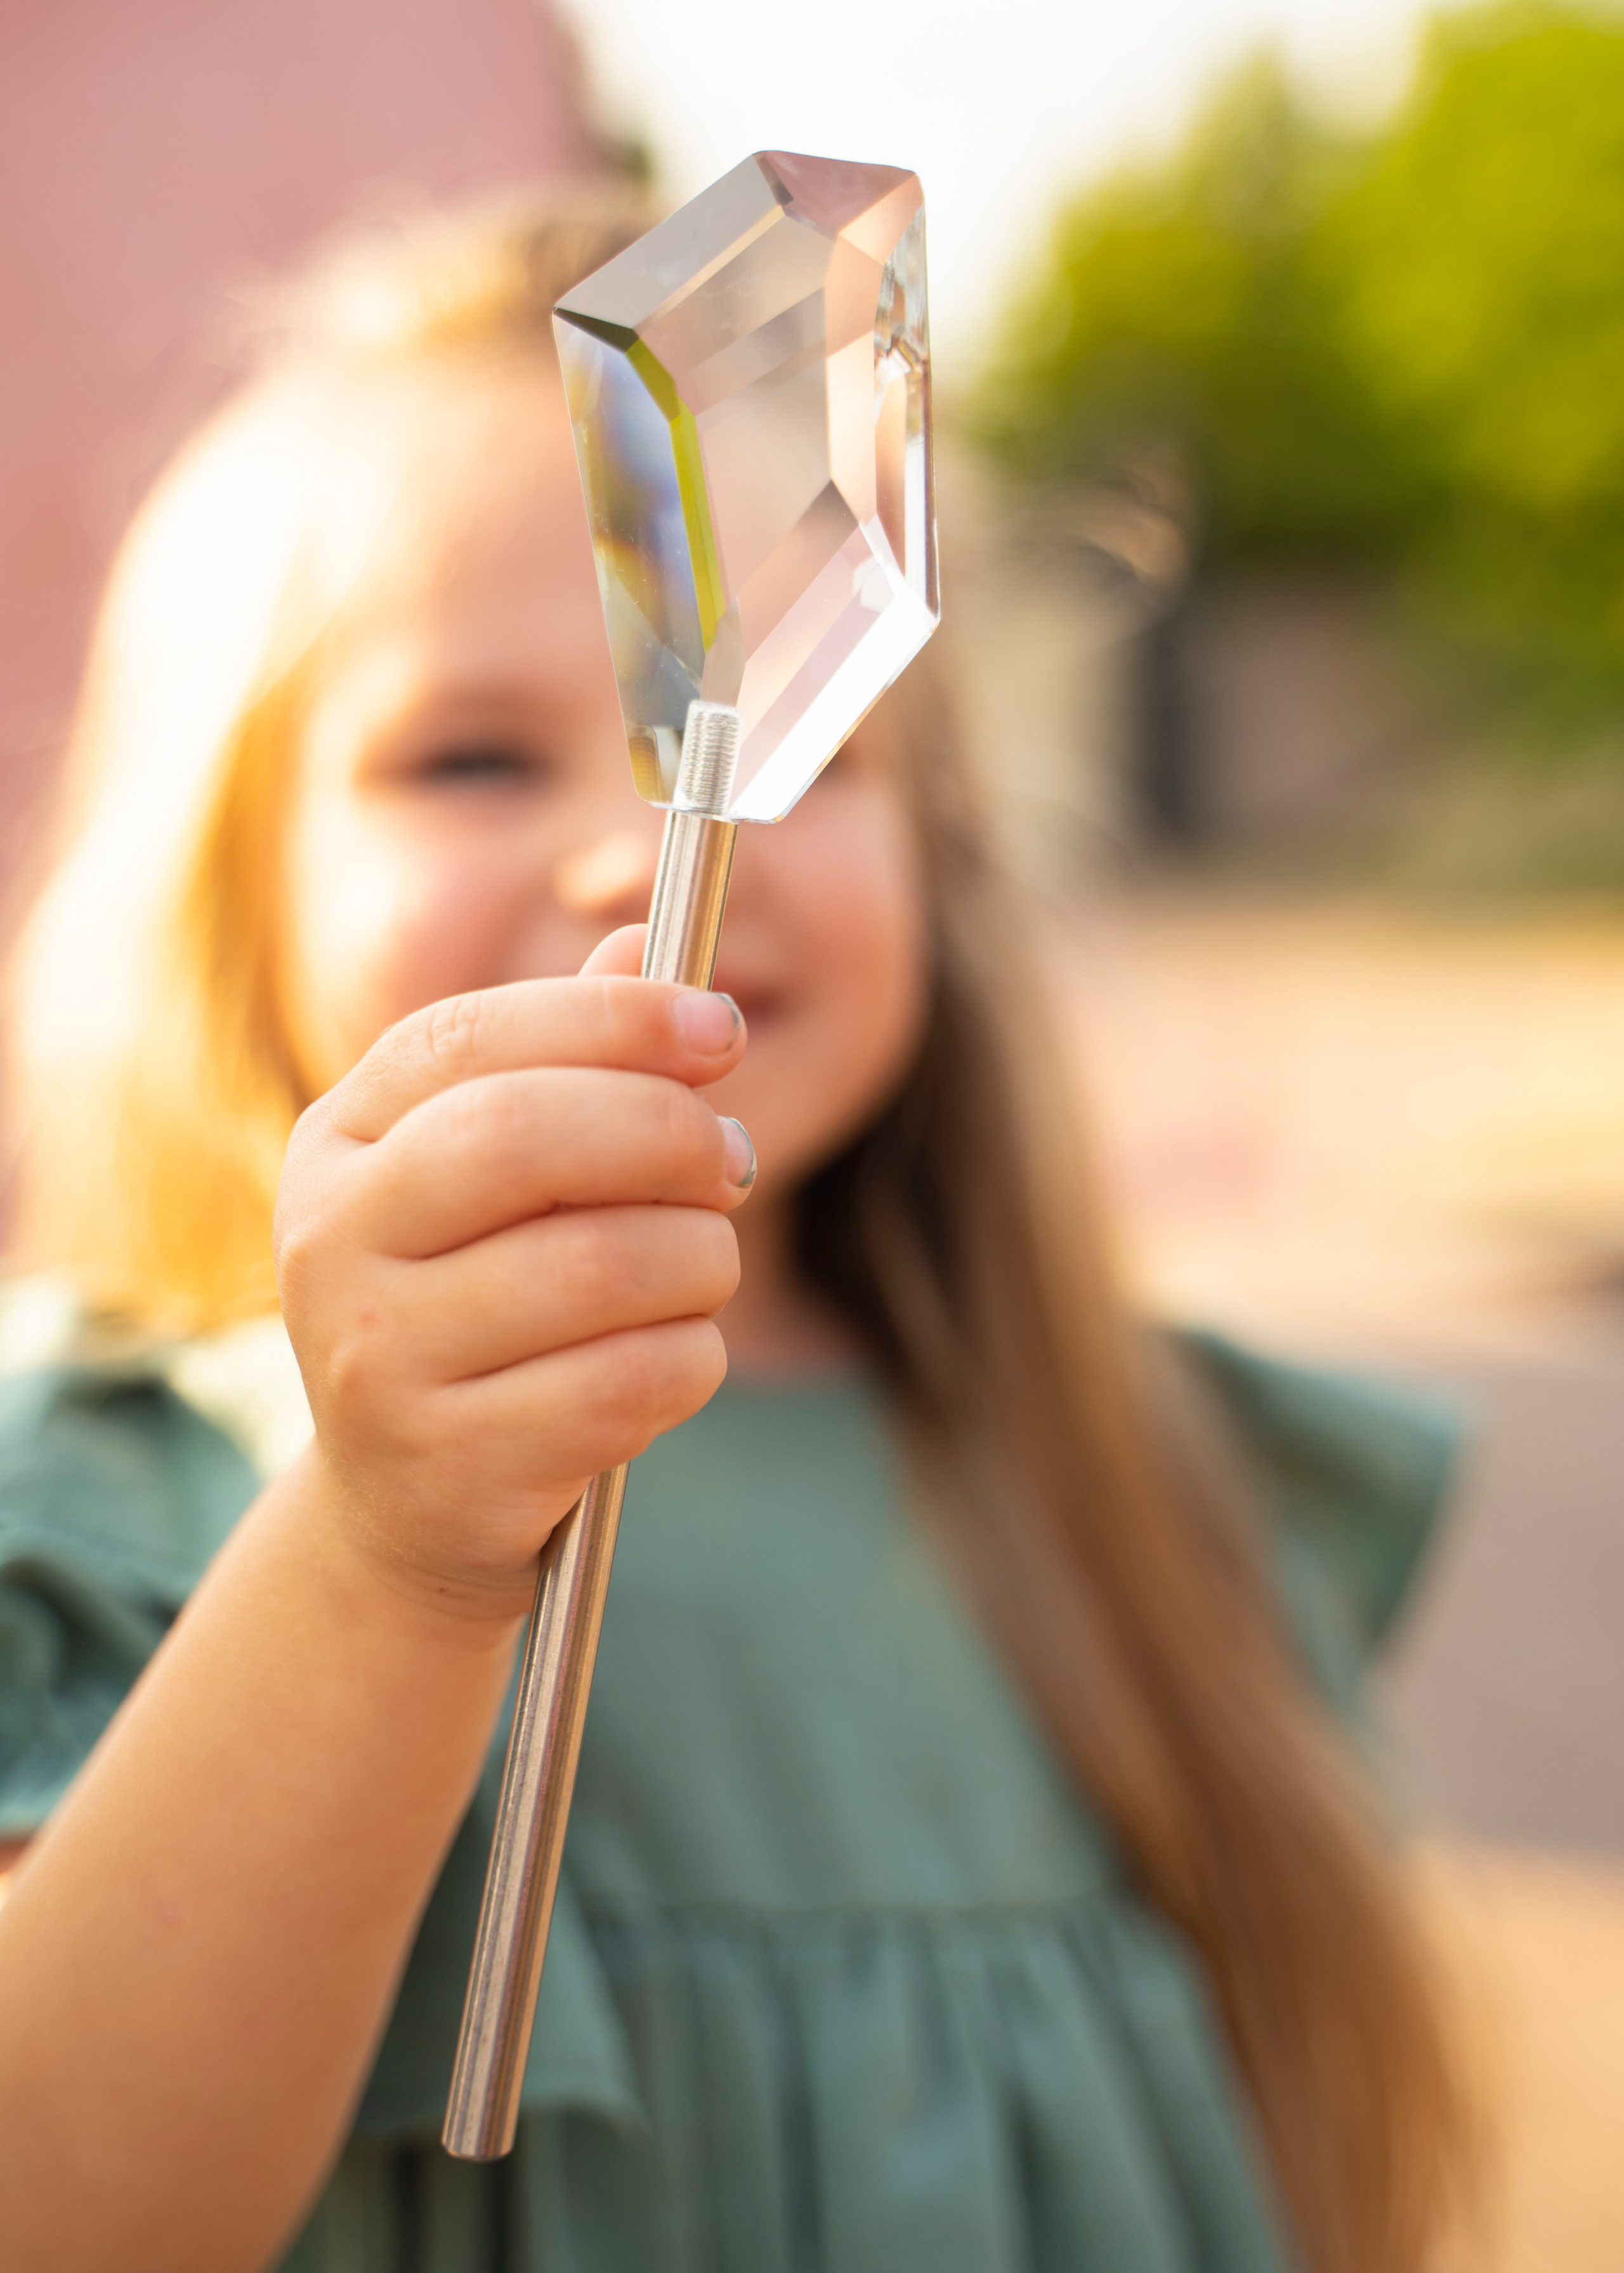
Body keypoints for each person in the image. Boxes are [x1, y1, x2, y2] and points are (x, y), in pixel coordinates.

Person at [0, 190, 1469, 2273]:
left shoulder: (1138, 1486)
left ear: (945, 861)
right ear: (225, 889)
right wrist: (386, 1551)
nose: (644, 831)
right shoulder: (114, 1487)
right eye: (473, 755)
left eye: (807, 751)